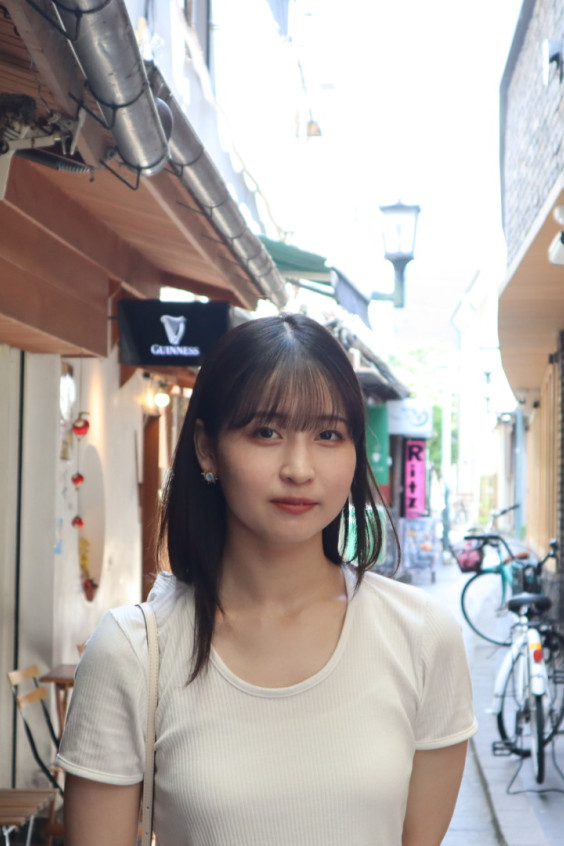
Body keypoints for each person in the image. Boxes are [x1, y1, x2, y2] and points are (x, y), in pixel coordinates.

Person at [57, 312, 477, 846]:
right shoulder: (132, 653)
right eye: (266, 432)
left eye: (328, 434)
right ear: (207, 447)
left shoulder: (423, 638)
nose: (299, 468)